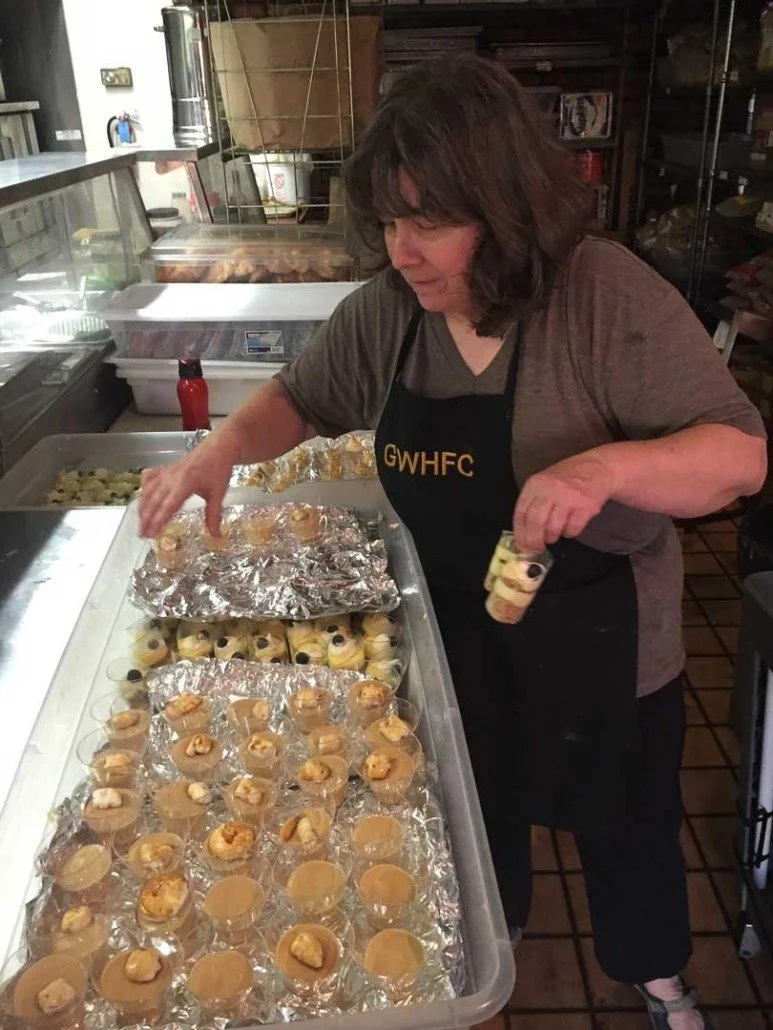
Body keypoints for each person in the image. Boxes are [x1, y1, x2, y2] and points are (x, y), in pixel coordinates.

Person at [140, 57, 766, 1030]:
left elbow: (735, 454)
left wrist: (602, 471)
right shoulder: (394, 314)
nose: (401, 251)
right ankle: (489, 949)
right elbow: (300, 399)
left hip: (598, 632)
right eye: (388, 222)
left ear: (504, 205)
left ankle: (654, 974)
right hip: (456, 633)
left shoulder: (602, 296)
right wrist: (216, 453)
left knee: (626, 820)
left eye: (427, 220)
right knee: (476, 811)